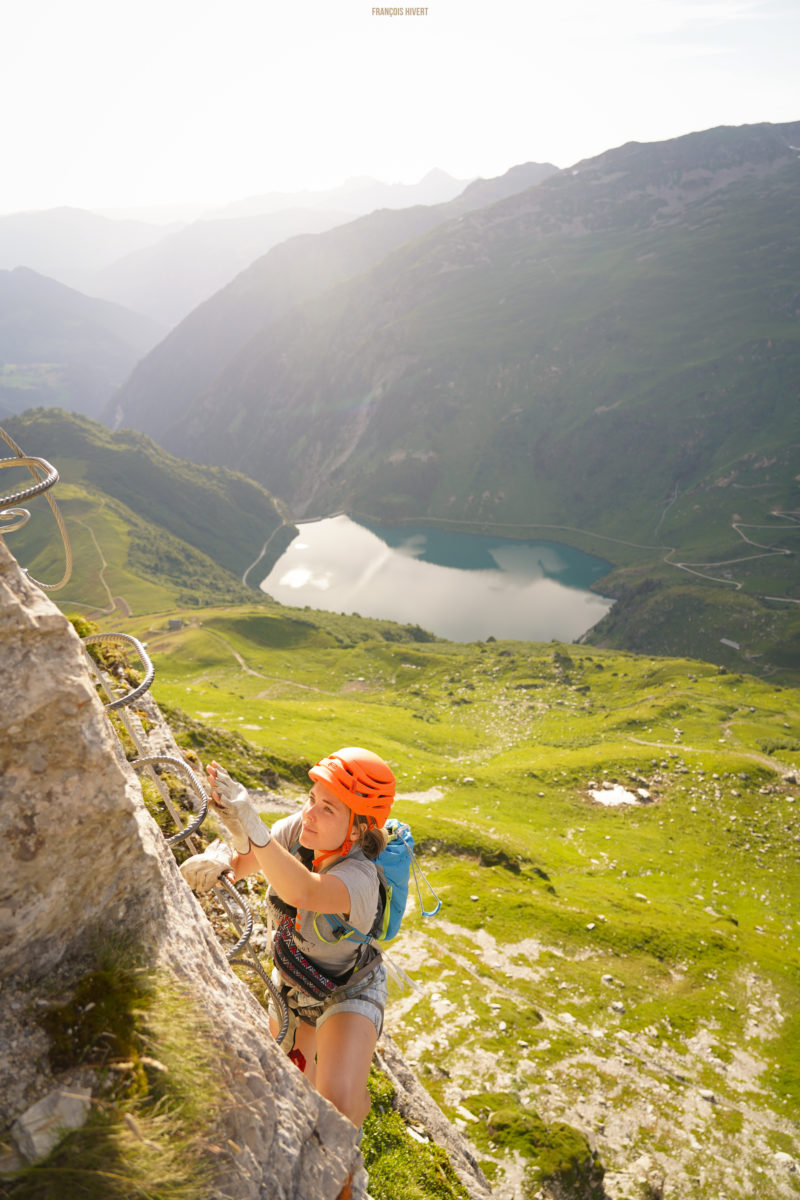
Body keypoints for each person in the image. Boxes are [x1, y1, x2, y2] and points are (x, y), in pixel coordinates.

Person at [179, 746, 395, 1135]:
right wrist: (226, 849)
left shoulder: (361, 878)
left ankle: (346, 1165)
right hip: (295, 983)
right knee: (291, 1089)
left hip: (348, 992)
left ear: (360, 829)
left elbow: (304, 891)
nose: (309, 813)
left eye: (328, 808)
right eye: (312, 799)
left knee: (337, 1112)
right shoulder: (298, 831)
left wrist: (254, 826)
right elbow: (248, 861)